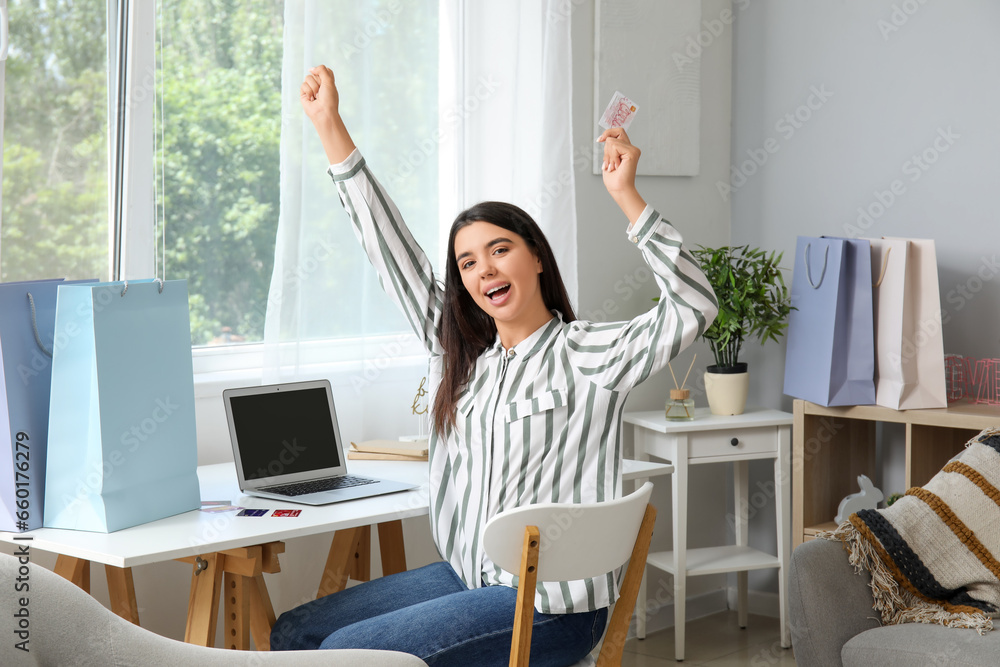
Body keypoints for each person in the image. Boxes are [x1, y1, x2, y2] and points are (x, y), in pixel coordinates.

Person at [270, 65, 719, 666]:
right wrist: (330, 124)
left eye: (499, 250)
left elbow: (695, 303)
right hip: (467, 580)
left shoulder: (589, 353)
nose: (483, 271)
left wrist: (627, 197)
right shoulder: (465, 358)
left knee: (348, 653)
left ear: (535, 257)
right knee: (298, 633)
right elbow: (390, 252)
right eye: (467, 263)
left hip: (550, 609)